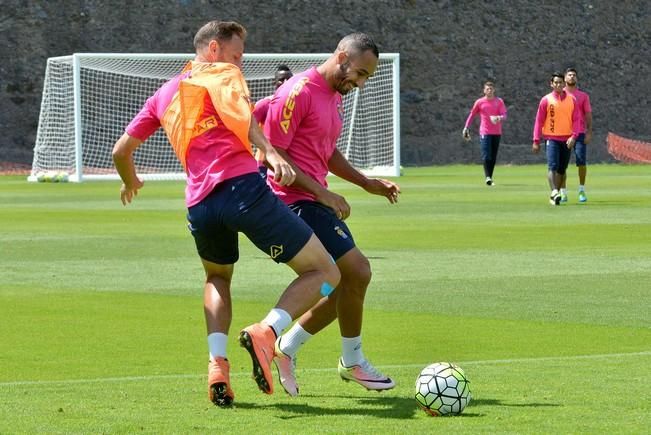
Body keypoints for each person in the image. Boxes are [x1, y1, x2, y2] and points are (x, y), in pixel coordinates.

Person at [111, 20, 340, 408]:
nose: (241, 61)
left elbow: (121, 151)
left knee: (217, 276)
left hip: (200, 205)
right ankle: (268, 332)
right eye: (237, 53)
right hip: (243, 190)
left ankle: (217, 363)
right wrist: (268, 152)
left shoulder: (163, 93)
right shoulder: (221, 73)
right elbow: (240, 114)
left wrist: (129, 181)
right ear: (214, 49)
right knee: (326, 272)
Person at [262, 33, 400, 396]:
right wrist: (322, 192)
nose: (361, 83)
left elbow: (326, 150)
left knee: (343, 283)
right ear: (341, 57)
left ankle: (286, 349)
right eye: (360, 73)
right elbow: (273, 152)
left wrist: (364, 182)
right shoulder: (298, 91)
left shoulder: (332, 96)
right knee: (358, 271)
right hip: (292, 201)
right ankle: (351, 361)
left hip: (313, 200)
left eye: (367, 76)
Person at [532, 72, 580, 205]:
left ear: (564, 84)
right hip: (551, 139)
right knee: (552, 166)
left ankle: (555, 195)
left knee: (562, 170)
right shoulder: (546, 100)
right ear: (551, 84)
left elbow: (576, 120)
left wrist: (574, 136)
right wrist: (536, 140)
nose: (558, 85)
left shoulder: (572, 100)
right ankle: (554, 191)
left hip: (567, 139)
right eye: (556, 82)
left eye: (560, 82)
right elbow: (539, 121)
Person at [462, 81, 507, 186]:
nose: (489, 91)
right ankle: (487, 177)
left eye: (491, 89)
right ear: (484, 90)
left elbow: (504, 115)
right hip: (485, 132)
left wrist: (498, 118)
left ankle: (490, 177)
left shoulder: (499, 101)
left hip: (497, 132)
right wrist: (466, 127)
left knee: (493, 156)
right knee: (486, 154)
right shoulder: (479, 102)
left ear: (494, 90)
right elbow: (472, 114)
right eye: (487, 89)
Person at [252, 65, 293, 177]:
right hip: (264, 163)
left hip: (289, 163)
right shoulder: (265, 104)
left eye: (289, 79)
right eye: (281, 79)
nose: (285, 82)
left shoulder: (297, 106)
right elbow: (248, 128)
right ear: (274, 82)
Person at [560, 67, 592, 203]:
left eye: (574, 75)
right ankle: (563, 192)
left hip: (579, 133)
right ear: (565, 78)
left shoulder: (583, 96)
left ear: (576, 78)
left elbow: (588, 115)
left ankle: (581, 190)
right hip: (562, 133)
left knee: (581, 162)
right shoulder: (560, 95)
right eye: (569, 75)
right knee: (562, 164)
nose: (572, 77)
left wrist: (589, 131)